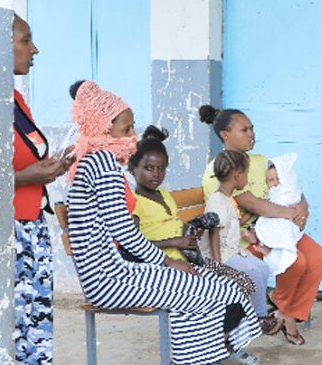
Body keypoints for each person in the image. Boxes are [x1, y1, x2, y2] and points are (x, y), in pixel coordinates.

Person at [65, 80, 260, 365]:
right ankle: (196, 360)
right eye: (126, 129)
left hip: (113, 274)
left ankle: (197, 358)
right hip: (112, 280)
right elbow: (124, 232)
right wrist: (168, 262)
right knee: (214, 292)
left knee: (218, 288)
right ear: (104, 128)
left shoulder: (89, 159)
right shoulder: (103, 163)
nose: (133, 136)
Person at [200, 105, 322, 345]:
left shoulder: (261, 161)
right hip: (243, 240)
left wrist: (302, 207)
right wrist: (290, 213)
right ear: (225, 135)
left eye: (252, 128)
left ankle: (284, 312)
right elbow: (252, 204)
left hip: (279, 230)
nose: (251, 134)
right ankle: (286, 315)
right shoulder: (220, 169)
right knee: (296, 262)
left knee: (319, 258)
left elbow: (288, 185)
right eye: (244, 129)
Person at [128, 126, 259, 304]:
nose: (156, 174)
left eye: (161, 169)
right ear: (132, 168)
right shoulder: (135, 203)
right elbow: (133, 247)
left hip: (189, 260)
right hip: (161, 268)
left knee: (243, 284)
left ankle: (225, 331)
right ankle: (218, 331)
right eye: (149, 168)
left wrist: (192, 233)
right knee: (228, 291)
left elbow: (175, 228)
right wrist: (175, 242)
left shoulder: (165, 196)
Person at [11, 14, 75, 364]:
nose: (34, 49)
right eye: (25, 40)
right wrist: (27, 177)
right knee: (13, 328)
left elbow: (25, 160)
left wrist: (50, 169)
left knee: (34, 326)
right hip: (7, 234)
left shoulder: (16, 101)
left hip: (32, 227)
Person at [195, 149, 276, 334]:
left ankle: (256, 311)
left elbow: (230, 224)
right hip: (221, 255)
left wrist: (249, 215)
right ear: (237, 175)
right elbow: (214, 231)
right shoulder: (217, 200)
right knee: (252, 271)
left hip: (232, 249)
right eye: (246, 173)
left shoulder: (227, 198)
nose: (248, 178)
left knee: (262, 268)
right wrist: (217, 265)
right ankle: (259, 316)